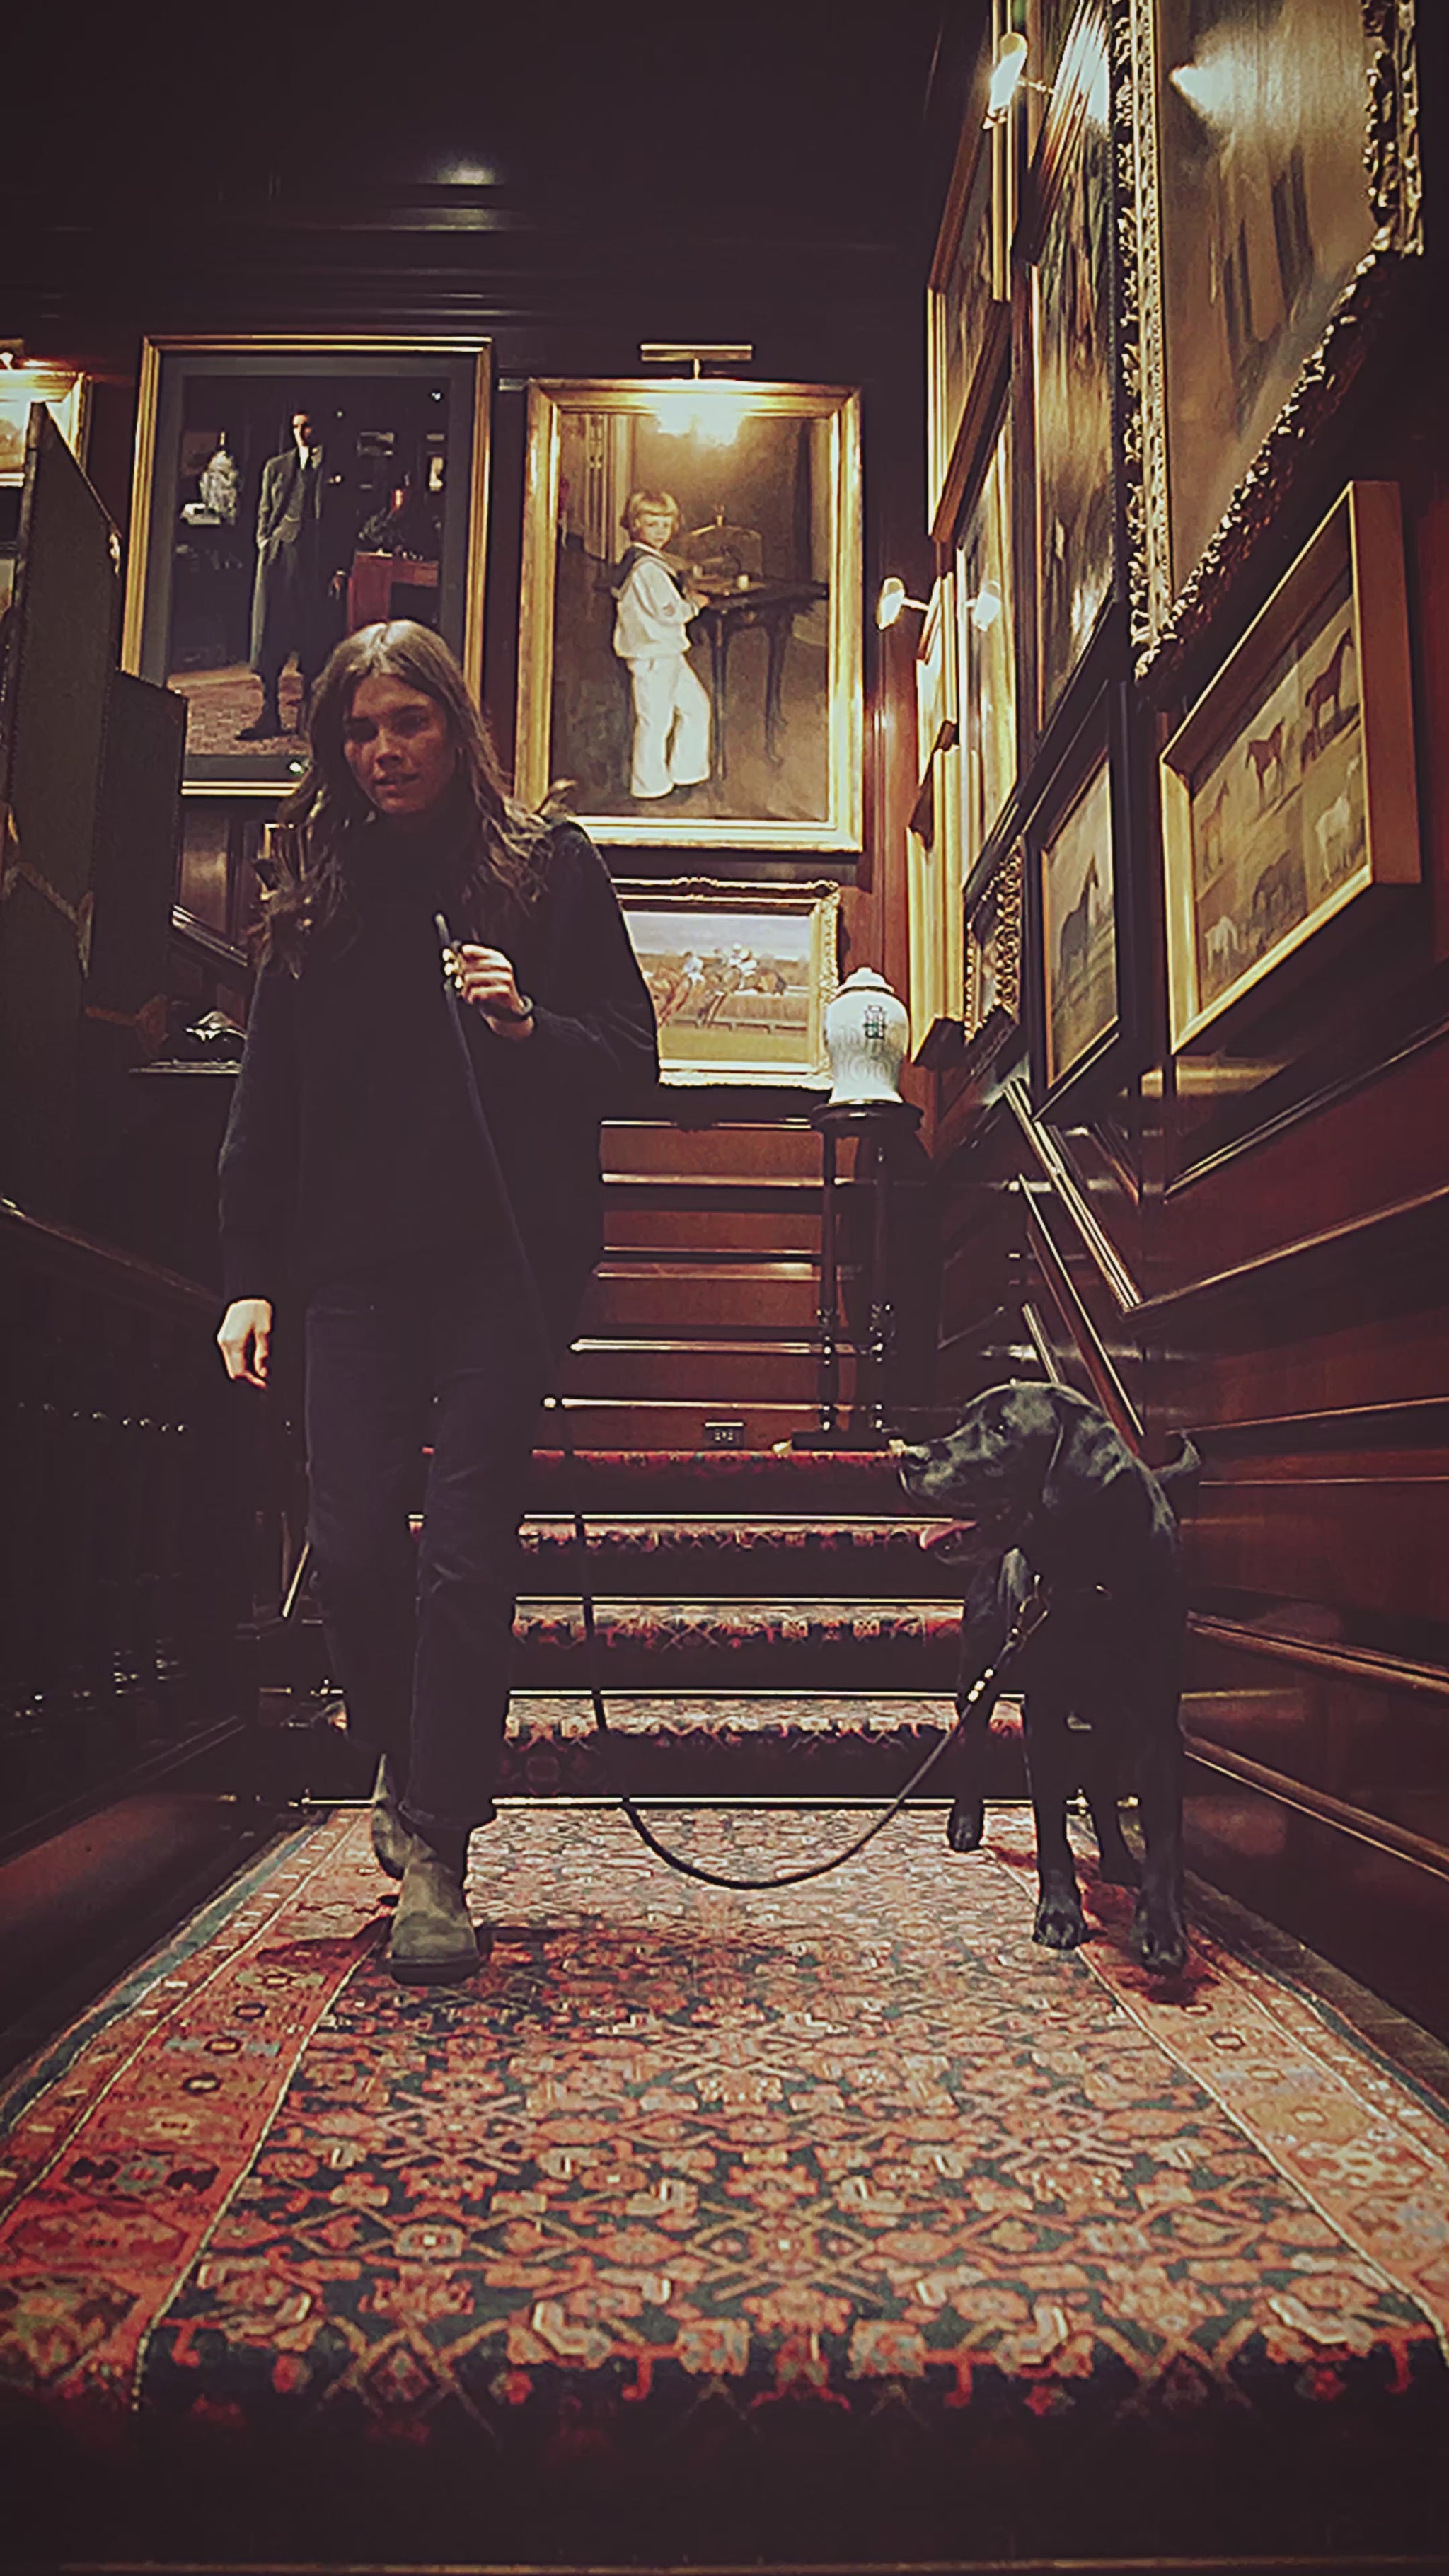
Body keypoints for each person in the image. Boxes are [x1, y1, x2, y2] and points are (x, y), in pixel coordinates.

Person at [215, 620, 659, 1983]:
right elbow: (266, 1104)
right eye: (357, 729)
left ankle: (440, 1855)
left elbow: (632, 1060)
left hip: (501, 1269)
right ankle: (411, 1783)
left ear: (454, 728)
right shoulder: (313, 894)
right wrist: (245, 1274)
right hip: (350, 1272)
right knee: (350, 1548)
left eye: (405, 721)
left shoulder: (545, 871)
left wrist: (528, 1027)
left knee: (467, 1555)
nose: (382, 749)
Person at [239, 408, 345, 741]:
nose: (301, 432)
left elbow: (347, 521)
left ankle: (311, 718)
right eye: (296, 426)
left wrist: (340, 569)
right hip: (278, 561)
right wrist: (264, 542)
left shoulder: (337, 468)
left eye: (308, 425)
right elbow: (264, 510)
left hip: (317, 565)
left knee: (315, 640)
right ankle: (268, 713)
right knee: (270, 635)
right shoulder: (277, 466)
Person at [611, 488, 712, 800]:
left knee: (696, 707)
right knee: (655, 721)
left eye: (665, 525)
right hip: (653, 653)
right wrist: (694, 604)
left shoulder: (640, 559)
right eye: (652, 524)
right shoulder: (648, 569)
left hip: (667, 651)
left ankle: (686, 771)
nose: (660, 531)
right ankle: (649, 786)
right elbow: (670, 612)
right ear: (636, 524)